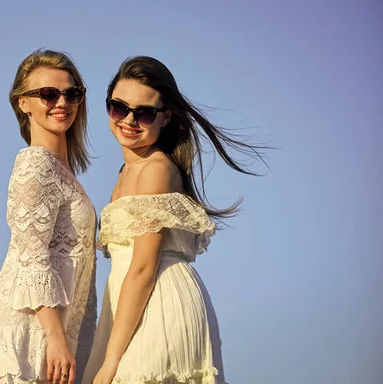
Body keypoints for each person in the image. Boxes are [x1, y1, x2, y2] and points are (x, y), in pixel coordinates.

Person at [83, 56, 266, 384]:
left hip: (160, 303)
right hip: (132, 307)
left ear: (165, 118)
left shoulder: (155, 170)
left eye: (145, 112)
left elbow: (141, 269)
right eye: (119, 107)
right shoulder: (126, 173)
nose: (129, 120)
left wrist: (111, 361)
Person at [0, 49, 97, 384]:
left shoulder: (65, 173)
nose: (61, 102)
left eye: (72, 93)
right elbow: (31, 256)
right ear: (24, 103)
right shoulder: (36, 163)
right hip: (25, 334)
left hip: (50, 334)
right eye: (48, 94)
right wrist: (55, 338)